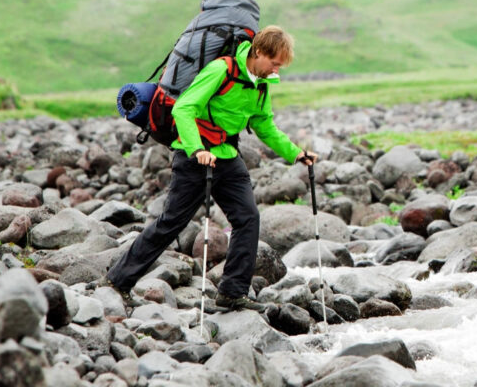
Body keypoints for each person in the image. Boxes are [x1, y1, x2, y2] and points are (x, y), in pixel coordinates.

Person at [95, 26, 317, 312]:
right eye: (274, 63)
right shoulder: (220, 70)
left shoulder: (261, 83)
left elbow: (265, 124)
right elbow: (184, 108)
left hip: (227, 155)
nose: (276, 70)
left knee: (247, 218)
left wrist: (296, 153)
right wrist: (196, 149)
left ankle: (232, 292)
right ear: (258, 52)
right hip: (195, 157)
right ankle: (116, 281)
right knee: (171, 222)